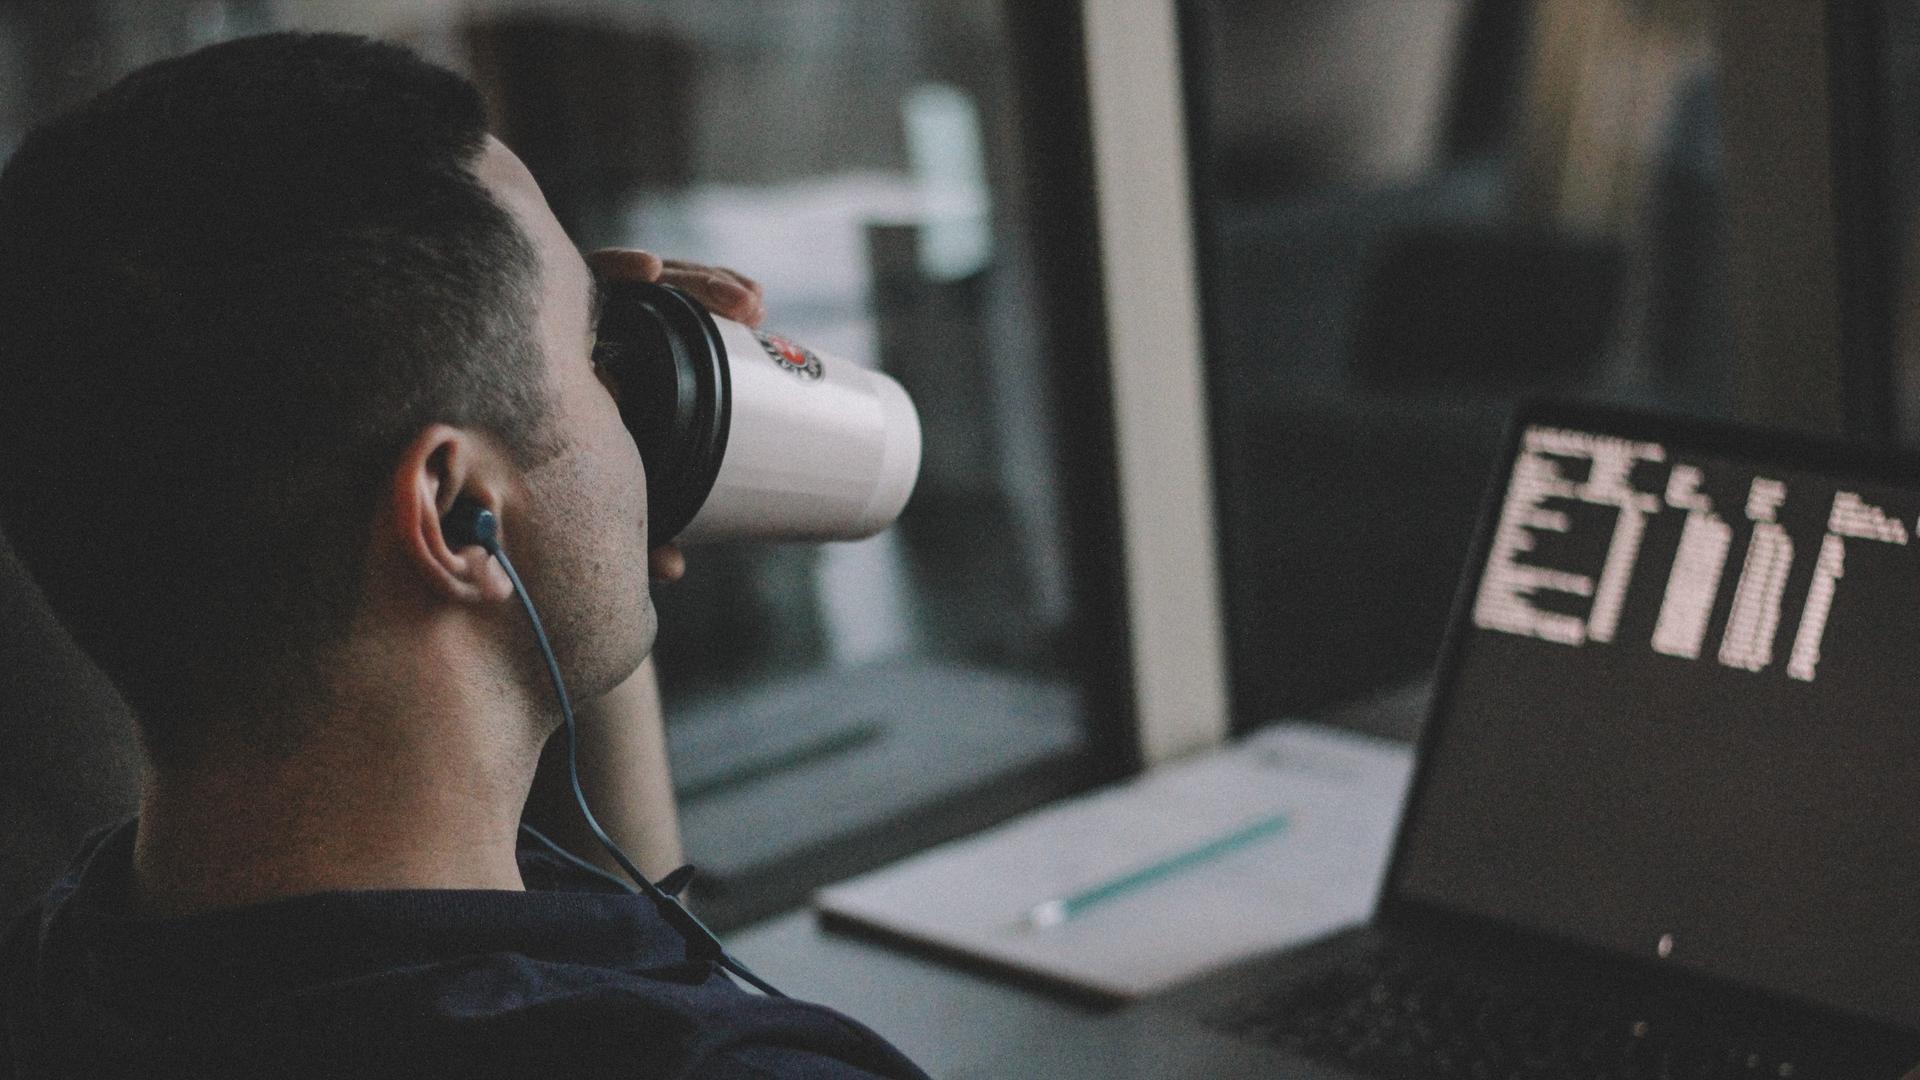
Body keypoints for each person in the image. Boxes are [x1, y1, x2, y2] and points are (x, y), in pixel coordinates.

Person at [0, 31, 927, 1079]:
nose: (621, 387)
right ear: (451, 511)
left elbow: (584, 982)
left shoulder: (74, 965)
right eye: (594, 352)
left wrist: (581, 502)